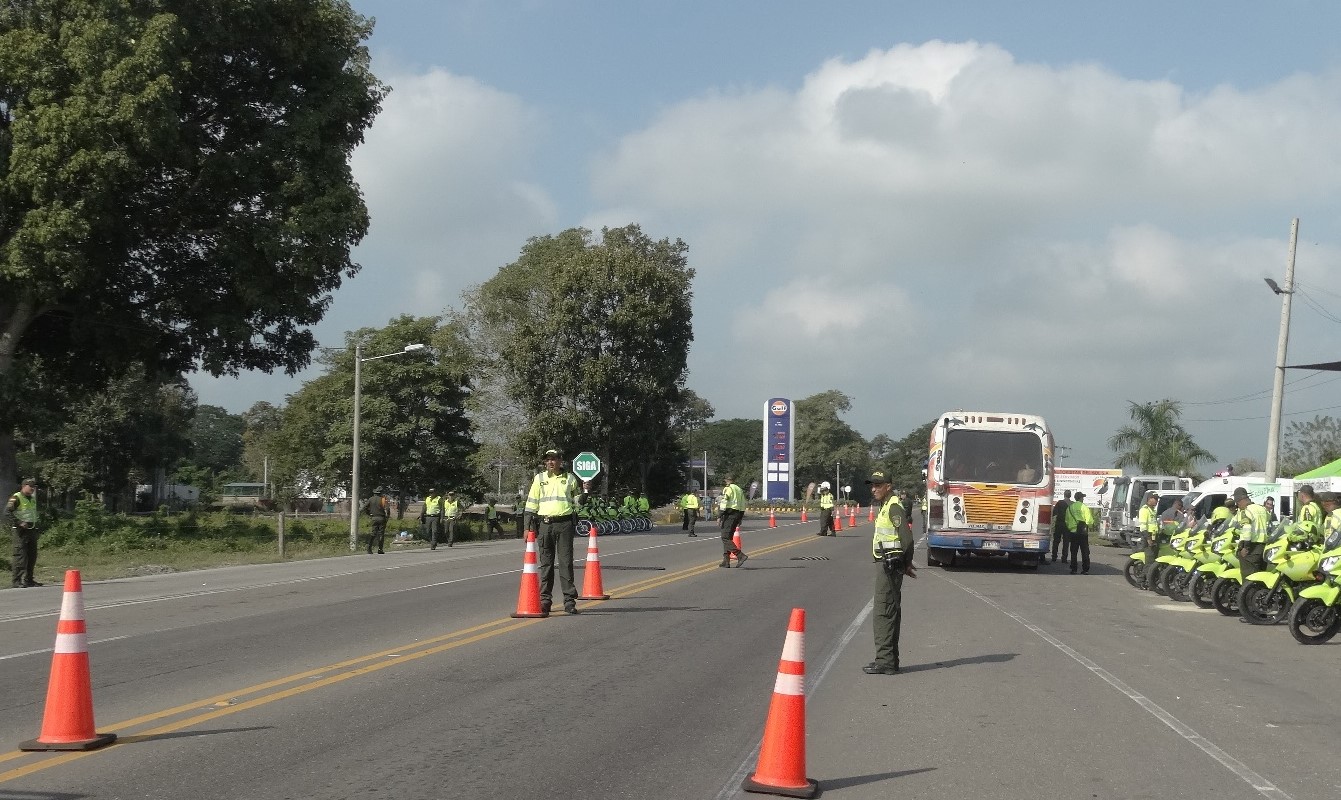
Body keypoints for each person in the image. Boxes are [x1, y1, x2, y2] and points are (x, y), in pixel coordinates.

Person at [524, 448, 591, 615]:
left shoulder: (569, 478)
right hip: (545, 525)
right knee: (546, 564)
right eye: (548, 459)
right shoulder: (539, 479)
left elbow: (578, 502)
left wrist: (586, 491)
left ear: (561, 461)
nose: (550, 462)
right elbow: (531, 504)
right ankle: (545, 600)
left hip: (564, 525)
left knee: (565, 563)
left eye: (554, 459)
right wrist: (526, 528)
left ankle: (569, 601)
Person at [864, 470, 914, 675]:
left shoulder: (893, 506)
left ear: (889, 486)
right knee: (888, 610)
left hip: (889, 565)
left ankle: (885, 661)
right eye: (872, 485)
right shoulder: (886, 506)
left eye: (878, 485)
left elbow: (907, 538)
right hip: (887, 564)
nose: (874, 489)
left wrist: (906, 563)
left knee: (883, 612)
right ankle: (889, 661)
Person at [1232, 487, 1272, 590]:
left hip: (1251, 548)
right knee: (1260, 577)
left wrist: (1246, 547)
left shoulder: (1246, 511)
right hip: (1263, 547)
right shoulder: (1262, 509)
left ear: (1241, 500)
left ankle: (1248, 603)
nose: (1237, 505)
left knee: (1248, 579)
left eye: (1237, 502)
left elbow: (1247, 528)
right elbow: (1269, 520)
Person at [7, 478, 42, 588]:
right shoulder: (16, 497)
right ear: (24, 486)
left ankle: (29, 579)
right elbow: (7, 512)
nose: (32, 489)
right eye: (30, 486)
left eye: (33, 487)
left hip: (31, 530)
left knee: (32, 556)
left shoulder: (31, 499)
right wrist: (19, 522)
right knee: (20, 555)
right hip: (20, 531)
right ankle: (16, 581)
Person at [717, 475, 748, 568]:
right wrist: (740, 518)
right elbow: (743, 504)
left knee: (725, 537)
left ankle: (740, 555)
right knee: (728, 538)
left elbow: (724, 502)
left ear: (726, 480)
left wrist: (719, 515)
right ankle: (726, 561)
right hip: (737, 514)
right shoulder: (739, 489)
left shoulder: (728, 489)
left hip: (729, 514)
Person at [1063, 490, 1095, 574]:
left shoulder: (1070, 507)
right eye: (1082, 497)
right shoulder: (1084, 507)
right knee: (1084, 551)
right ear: (1080, 498)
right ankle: (1085, 569)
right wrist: (1086, 526)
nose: (1083, 499)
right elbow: (1089, 520)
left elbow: (1066, 520)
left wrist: (1071, 528)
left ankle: (1074, 569)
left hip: (1073, 532)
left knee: (1073, 552)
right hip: (1082, 533)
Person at [1138, 492, 1160, 588]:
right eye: (1154, 498)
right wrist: (1148, 539)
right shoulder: (1144, 510)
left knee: (1153, 561)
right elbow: (1143, 527)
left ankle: (1150, 581)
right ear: (1149, 499)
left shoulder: (1152, 510)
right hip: (1148, 537)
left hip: (1154, 537)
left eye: (1157, 499)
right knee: (1149, 561)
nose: (1156, 500)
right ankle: (1141, 581)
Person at [364, 486, 389, 554]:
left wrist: (369, 514)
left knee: (373, 533)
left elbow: (364, 507)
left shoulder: (370, 499)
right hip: (382, 518)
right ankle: (380, 549)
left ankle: (369, 548)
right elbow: (387, 509)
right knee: (381, 534)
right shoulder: (383, 499)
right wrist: (387, 517)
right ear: (380, 493)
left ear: (375, 493)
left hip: (374, 518)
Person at [1050, 490, 1071, 563]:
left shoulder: (1060, 503)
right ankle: (1064, 558)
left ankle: (1054, 557)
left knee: (1056, 541)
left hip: (1059, 523)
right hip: (1068, 525)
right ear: (1070, 496)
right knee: (1066, 542)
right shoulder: (1072, 504)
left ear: (1064, 495)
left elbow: (1054, 512)